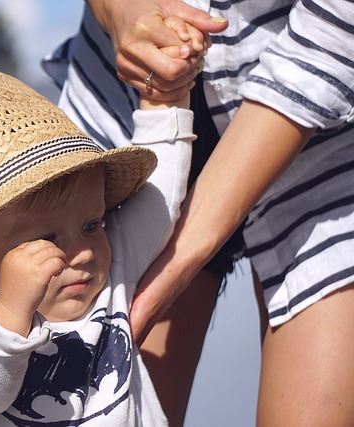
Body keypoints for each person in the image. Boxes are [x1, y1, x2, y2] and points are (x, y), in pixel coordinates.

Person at [44, 1, 354, 425]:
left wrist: (170, 265)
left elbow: (335, 28)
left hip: (325, 130)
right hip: (124, 103)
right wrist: (117, 10)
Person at [0, 68, 198, 425]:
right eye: (46, 239)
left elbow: (160, 197)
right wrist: (10, 312)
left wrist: (165, 99)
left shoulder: (111, 277)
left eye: (92, 225)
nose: (84, 251)